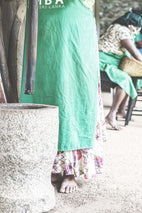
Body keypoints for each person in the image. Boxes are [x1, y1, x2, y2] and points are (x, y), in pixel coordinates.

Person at [20, 0, 106, 193]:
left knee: (71, 99)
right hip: (42, 42)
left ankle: (70, 171)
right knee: (42, 97)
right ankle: (50, 165)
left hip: (73, 46)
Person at [99, 12, 142, 130]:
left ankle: (121, 110)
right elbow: (135, 52)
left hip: (112, 61)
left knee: (131, 78)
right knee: (124, 79)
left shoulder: (117, 27)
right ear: (130, 25)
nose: (137, 30)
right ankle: (112, 114)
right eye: (136, 27)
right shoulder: (121, 30)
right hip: (102, 63)